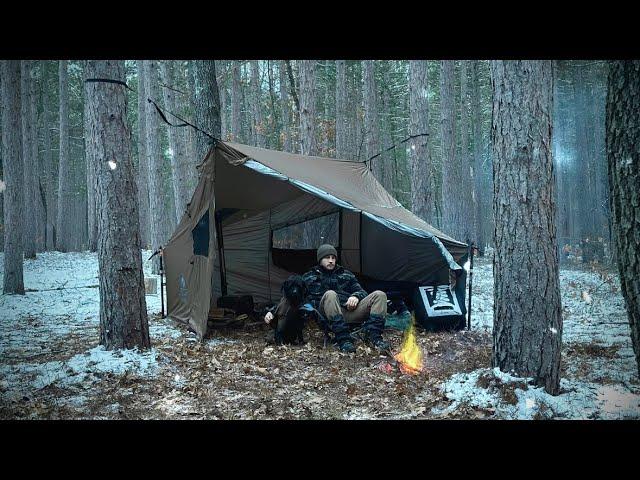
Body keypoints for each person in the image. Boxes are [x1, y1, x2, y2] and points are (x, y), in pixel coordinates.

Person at [265, 243, 390, 353]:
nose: (331, 261)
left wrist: (356, 296)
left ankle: (375, 338)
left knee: (380, 295)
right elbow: (291, 295)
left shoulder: (346, 275)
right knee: (330, 294)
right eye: (327, 257)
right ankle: (344, 340)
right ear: (320, 260)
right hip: (324, 313)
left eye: (333, 258)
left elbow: (361, 291)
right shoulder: (309, 277)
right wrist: (272, 311)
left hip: (348, 311)